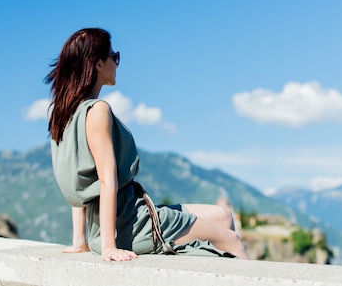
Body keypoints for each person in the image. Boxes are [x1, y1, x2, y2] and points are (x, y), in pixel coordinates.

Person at [46, 28, 249, 261]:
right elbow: (106, 181)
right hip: (131, 222)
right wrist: (109, 247)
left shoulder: (65, 116)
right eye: (114, 57)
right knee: (230, 240)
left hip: (113, 224)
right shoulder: (97, 110)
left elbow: (79, 182)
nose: (117, 63)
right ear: (98, 64)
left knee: (223, 216)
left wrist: (80, 241)